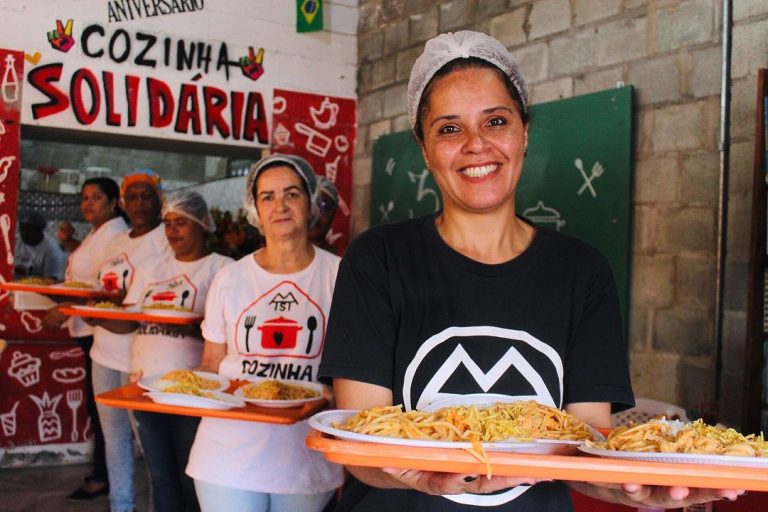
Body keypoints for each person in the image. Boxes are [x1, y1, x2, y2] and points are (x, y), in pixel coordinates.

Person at [317, 31, 744, 511]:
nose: (476, 145)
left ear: (524, 132)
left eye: (495, 121)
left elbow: (583, 446)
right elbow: (359, 440)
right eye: (449, 128)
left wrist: (638, 488)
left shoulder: (581, 271)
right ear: (424, 147)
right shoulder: (379, 259)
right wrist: (423, 477)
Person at [186, 154, 343, 512]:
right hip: (226, 452)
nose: (280, 206)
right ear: (255, 208)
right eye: (267, 197)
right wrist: (174, 388)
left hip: (305, 451)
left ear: (309, 201)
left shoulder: (341, 276)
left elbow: (353, 370)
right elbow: (211, 364)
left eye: (291, 194)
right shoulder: (230, 278)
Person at [97, 190, 233, 512]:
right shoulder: (151, 268)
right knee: (160, 475)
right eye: (169, 223)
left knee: (192, 473)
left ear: (203, 224)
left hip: (194, 390)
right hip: (146, 386)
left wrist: (185, 326)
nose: (172, 231)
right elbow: (130, 321)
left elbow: (229, 333)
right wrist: (96, 318)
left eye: (182, 223)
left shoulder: (222, 268)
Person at [80, 168, 170, 512]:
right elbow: (106, 288)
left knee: (148, 440)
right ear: (122, 202)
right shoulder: (119, 239)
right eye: (132, 197)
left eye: (147, 196)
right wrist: (93, 308)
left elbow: (156, 296)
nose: (139, 203)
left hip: (140, 356)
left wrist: (106, 308)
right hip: (103, 349)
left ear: (159, 200)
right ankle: (121, 504)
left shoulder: (165, 237)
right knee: (113, 434)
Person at [43, 176, 129, 502]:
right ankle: (104, 474)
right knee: (98, 409)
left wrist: (65, 309)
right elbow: (87, 273)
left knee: (104, 411)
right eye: (85, 198)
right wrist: (70, 245)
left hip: (102, 333)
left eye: (95, 198)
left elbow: (102, 284)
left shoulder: (116, 234)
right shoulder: (101, 233)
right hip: (89, 330)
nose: (88, 203)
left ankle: (103, 476)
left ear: (113, 202)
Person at [13, 208, 66, 281]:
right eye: (22, 229)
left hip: (38, 289)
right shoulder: (14, 241)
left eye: (29, 230)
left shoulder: (52, 249)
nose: (24, 233)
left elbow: (52, 280)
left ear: (39, 230)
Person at [308, 176, 339, 253]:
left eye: (323, 208)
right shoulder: (278, 258)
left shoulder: (345, 260)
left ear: (333, 213)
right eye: (310, 207)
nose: (315, 216)